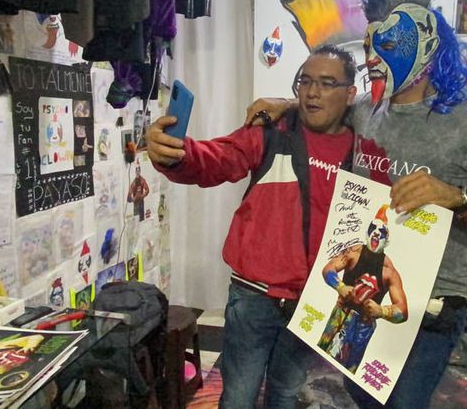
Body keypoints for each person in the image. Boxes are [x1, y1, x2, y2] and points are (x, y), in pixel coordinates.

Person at [246, 0, 467, 408]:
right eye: (368, 45)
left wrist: (456, 198)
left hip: (434, 300)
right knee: (359, 387)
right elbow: (323, 103)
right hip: (364, 281)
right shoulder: (365, 112)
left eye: (389, 43)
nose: (373, 57)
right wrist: (286, 103)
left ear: (427, 44)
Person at [146, 45, 358, 408]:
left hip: (313, 299)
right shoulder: (273, 132)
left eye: (326, 83)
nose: (312, 92)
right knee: (239, 396)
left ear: (350, 93)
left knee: (286, 391)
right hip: (254, 296)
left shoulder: (362, 148)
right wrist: (175, 153)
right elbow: (219, 157)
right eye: (305, 81)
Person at [318, 204, 408, 373]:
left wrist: (382, 311)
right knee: (318, 359)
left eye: (381, 232)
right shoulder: (353, 252)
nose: (376, 234)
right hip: (340, 316)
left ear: (387, 238)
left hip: (363, 327)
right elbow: (329, 268)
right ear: (367, 231)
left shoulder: (389, 271)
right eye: (373, 229)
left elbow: (403, 311)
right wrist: (340, 286)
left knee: (346, 372)